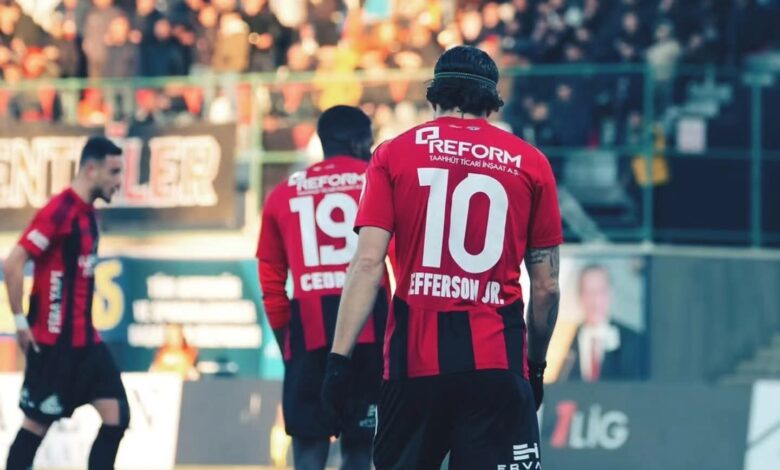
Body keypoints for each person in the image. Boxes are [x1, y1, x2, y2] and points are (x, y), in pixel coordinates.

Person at [321, 46, 563, 469]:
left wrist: (338, 361)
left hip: (412, 367)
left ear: (434, 96)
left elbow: (367, 265)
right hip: (497, 363)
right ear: (492, 103)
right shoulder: (531, 163)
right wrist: (536, 367)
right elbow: (546, 287)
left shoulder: (392, 154)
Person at [257, 105, 388, 470]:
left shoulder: (282, 194)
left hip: (309, 338)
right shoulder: (378, 183)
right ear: (359, 142)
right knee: (360, 451)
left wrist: (287, 341)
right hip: (368, 336)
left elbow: (271, 283)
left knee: (308, 453)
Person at [3, 137, 128, 470]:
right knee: (35, 426)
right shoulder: (60, 211)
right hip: (53, 346)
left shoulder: (89, 215)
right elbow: (13, 263)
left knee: (117, 416)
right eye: (114, 172)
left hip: (86, 343)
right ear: (91, 169)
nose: (119, 182)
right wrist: (20, 322)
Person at [565, 264, 644, 382]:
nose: (595, 300)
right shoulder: (565, 341)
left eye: (601, 291)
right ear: (580, 296)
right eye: (588, 292)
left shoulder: (634, 341)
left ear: (611, 294)